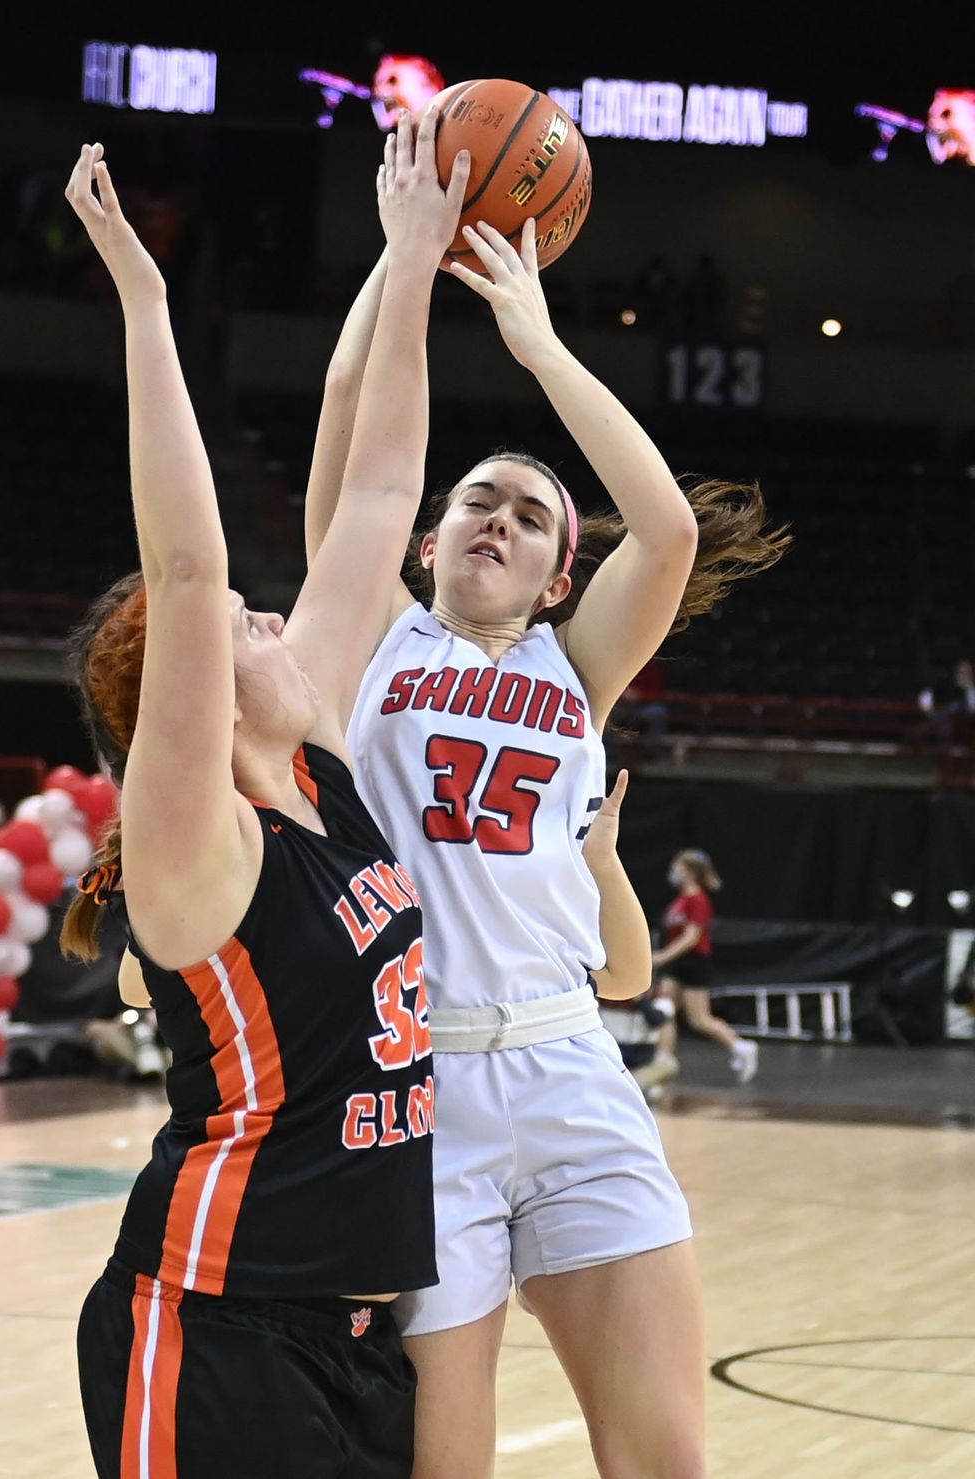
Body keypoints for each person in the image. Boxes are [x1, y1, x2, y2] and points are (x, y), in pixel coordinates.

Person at [307, 205, 790, 1477]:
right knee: (444, 1466)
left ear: (559, 579)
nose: (500, 521)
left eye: (532, 518)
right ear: (426, 540)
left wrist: (536, 342)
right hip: (415, 1086)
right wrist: (403, 258)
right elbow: (352, 406)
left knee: (664, 1461)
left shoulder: (577, 669)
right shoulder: (364, 634)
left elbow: (671, 532)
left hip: (573, 1067)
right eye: (478, 500)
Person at [59, 118, 470, 1478]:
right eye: (255, 625)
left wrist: (411, 262)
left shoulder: (318, 775)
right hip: (214, 1326)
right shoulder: (197, 850)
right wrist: (146, 300)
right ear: (194, 695)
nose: (281, 617)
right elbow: (184, 567)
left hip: (355, 1338)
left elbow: (385, 488)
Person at [653, 849, 756, 1084]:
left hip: (694, 963)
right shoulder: (680, 900)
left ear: (689, 872)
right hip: (677, 965)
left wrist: (663, 956)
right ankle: (662, 1058)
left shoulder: (698, 900)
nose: (673, 873)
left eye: (678, 868)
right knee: (663, 1010)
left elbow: (691, 937)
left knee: (699, 1019)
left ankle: (741, 1046)